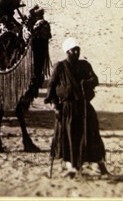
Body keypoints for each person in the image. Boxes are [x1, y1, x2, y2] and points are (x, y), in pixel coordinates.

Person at [45, 37, 109, 177]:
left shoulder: (85, 65)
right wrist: (55, 105)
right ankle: (71, 165)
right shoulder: (60, 66)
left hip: (84, 107)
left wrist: (86, 83)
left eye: (78, 49)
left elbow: (95, 79)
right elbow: (51, 86)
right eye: (73, 50)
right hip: (67, 108)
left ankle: (96, 162)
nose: (76, 52)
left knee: (91, 134)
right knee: (69, 136)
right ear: (67, 51)